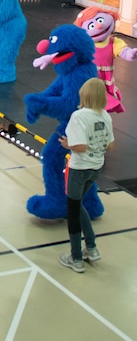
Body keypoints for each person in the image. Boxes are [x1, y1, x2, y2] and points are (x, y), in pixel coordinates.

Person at [58, 77, 115, 273]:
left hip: (80, 168)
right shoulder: (105, 116)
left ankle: (76, 257)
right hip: (95, 168)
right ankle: (91, 248)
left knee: (73, 210)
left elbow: (80, 146)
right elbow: (111, 145)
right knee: (78, 203)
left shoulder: (79, 116)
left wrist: (67, 145)